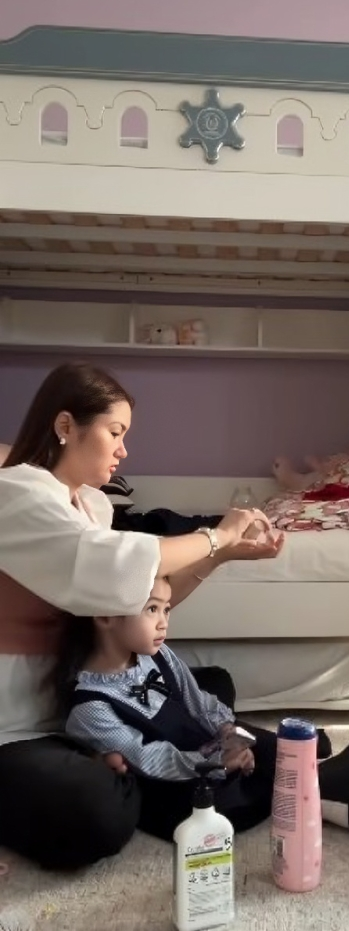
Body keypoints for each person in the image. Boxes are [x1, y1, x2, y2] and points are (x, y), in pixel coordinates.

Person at [0, 362, 284, 870]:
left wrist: (221, 555)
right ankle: (120, 769)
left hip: (73, 696)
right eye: (115, 432)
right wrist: (214, 535)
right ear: (65, 426)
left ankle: (126, 761)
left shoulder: (92, 506)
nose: (124, 450)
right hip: (18, 724)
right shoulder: (16, 493)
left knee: (215, 690)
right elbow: (112, 565)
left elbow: (134, 603)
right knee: (99, 814)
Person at [53, 575, 278, 840]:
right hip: (174, 785)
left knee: (276, 751)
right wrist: (215, 764)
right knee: (242, 797)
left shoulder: (157, 655)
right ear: (105, 616)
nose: (164, 623)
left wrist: (226, 731)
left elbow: (197, 702)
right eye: (152, 609)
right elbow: (149, 758)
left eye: (166, 609)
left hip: (202, 749)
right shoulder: (90, 706)